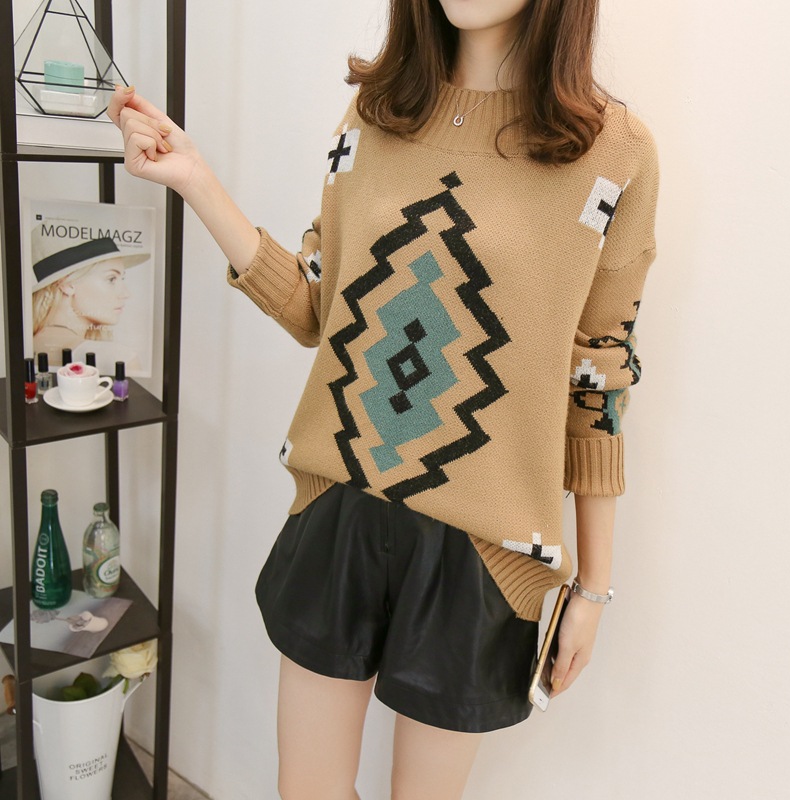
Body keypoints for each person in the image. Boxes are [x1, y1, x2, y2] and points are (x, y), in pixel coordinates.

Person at [108, 0, 659, 797]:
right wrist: (195, 179)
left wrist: (593, 588)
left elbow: (598, 380)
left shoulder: (614, 153)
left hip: (484, 550)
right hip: (342, 507)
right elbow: (315, 305)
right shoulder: (377, 114)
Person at [31, 230, 149, 371]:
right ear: (67, 285)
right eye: (111, 279)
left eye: (121, 278)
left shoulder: (29, 345)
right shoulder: (119, 358)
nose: (126, 294)